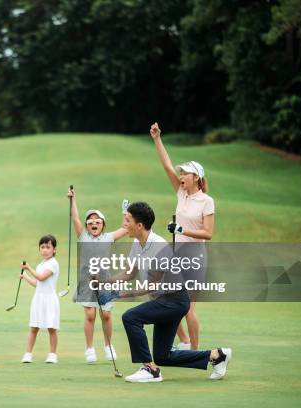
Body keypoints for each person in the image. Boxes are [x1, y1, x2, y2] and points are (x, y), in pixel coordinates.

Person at [97, 201, 231, 383]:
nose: (124, 224)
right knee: (163, 356)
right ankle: (217, 356)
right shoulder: (137, 243)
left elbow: (149, 286)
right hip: (165, 301)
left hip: (174, 301)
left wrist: (117, 294)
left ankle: (150, 369)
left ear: (139, 225)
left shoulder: (159, 247)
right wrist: (104, 281)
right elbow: (129, 273)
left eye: (127, 220)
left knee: (131, 317)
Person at [149, 122, 215, 351]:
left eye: (185, 173)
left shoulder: (206, 201)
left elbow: (208, 234)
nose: (181, 175)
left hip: (195, 256)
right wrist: (157, 139)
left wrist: (181, 231)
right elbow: (167, 166)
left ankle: (195, 352)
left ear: (196, 177)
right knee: (167, 300)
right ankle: (184, 342)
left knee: (187, 308)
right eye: (181, 172)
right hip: (176, 255)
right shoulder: (181, 193)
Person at [68, 188, 127, 363]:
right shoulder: (83, 236)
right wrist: (73, 200)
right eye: (90, 222)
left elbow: (125, 228)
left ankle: (108, 346)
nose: (93, 224)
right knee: (90, 315)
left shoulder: (109, 237)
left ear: (103, 224)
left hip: (104, 282)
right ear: (87, 226)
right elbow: (75, 218)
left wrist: (125, 211)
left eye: (97, 221)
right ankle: (89, 349)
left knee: (106, 315)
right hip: (86, 282)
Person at [20, 235, 60, 364]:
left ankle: (52, 354)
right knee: (34, 327)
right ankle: (28, 354)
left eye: (48, 247)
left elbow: (42, 277)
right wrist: (25, 276)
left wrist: (28, 268)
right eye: (42, 247)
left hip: (50, 300)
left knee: (51, 328)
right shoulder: (40, 265)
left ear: (54, 249)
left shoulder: (53, 263)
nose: (45, 250)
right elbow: (38, 284)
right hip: (38, 299)